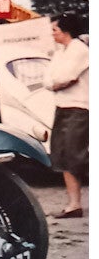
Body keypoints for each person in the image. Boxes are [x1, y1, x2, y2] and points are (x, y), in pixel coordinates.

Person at [43, 15, 89, 218]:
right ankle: (74, 204)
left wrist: (55, 83)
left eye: (55, 30)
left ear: (66, 30)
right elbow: (48, 79)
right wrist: (54, 83)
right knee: (64, 154)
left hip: (80, 108)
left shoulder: (79, 50)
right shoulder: (61, 52)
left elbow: (67, 77)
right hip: (62, 107)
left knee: (76, 155)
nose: (52, 34)